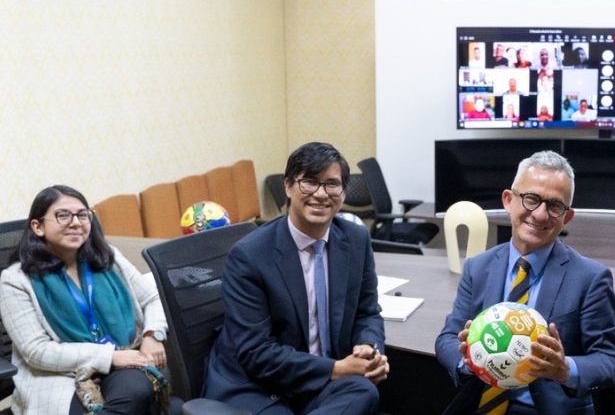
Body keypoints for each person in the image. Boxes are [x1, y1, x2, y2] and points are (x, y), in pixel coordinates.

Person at [203, 142, 388, 414]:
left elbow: (367, 312)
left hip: (316, 380)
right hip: (256, 385)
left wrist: (369, 349)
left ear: (343, 192)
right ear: (288, 187)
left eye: (332, 184)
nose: (321, 194)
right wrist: (337, 369)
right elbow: (257, 354)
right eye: (309, 182)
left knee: (365, 391)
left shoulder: (355, 239)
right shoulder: (249, 256)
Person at [436, 151, 615, 414]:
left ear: (566, 218)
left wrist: (564, 369)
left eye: (555, 206)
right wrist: (470, 359)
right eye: (531, 199)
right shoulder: (478, 267)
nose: (540, 214)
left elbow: (611, 362)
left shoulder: (591, 278)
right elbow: (446, 338)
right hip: (479, 405)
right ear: (508, 200)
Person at [0, 185, 169, 415]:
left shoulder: (108, 257)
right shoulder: (15, 280)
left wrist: (153, 334)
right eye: (63, 215)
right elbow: (36, 351)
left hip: (124, 355)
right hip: (59, 375)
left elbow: (152, 297)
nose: (76, 222)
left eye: (82, 214)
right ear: (37, 227)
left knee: (137, 390)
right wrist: (109, 357)